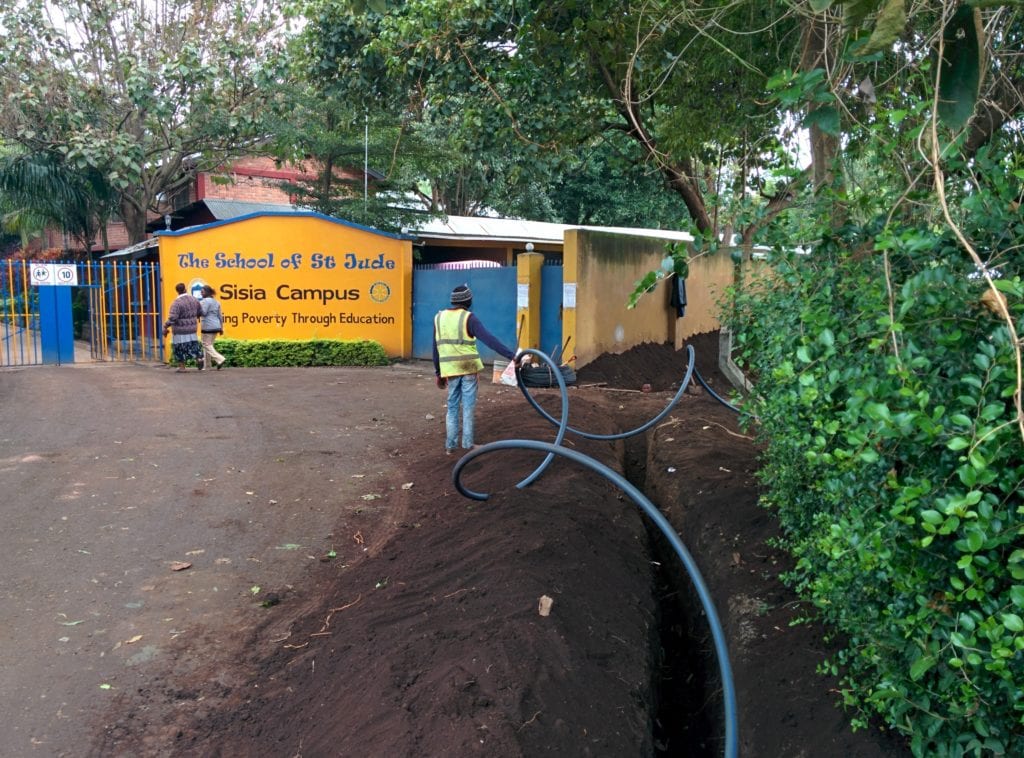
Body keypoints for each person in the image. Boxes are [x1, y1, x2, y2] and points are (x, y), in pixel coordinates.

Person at [432, 283, 517, 455]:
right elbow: (489, 340)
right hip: (469, 368)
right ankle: (468, 444)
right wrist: (512, 356)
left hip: (451, 370)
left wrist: (438, 373)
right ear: (468, 301)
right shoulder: (469, 318)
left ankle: (450, 446)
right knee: (468, 406)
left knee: (452, 406)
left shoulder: (439, 318)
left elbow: (435, 347)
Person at [163, 282, 204, 372]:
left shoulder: (176, 303)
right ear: (185, 289)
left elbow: (173, 318)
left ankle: (182, 367)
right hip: (192, 329)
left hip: (180, 330)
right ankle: (199, 359)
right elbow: (200, 312)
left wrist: (165, 325)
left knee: (179, 348)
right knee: (194, 345)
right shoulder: (194, 300)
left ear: (177, 291)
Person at [198, 284, 226, 370]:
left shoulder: (205, 301)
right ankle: (207, 366)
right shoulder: (216, 302)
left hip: (207, 326)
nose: (201, 293)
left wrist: (197, 312)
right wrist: (221, 327)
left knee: (206, 344)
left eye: (202, 292)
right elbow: (220, 316)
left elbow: (204, 313)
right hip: (216, 326)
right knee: (209, 346)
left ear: (206, 292)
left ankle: (220, 359)